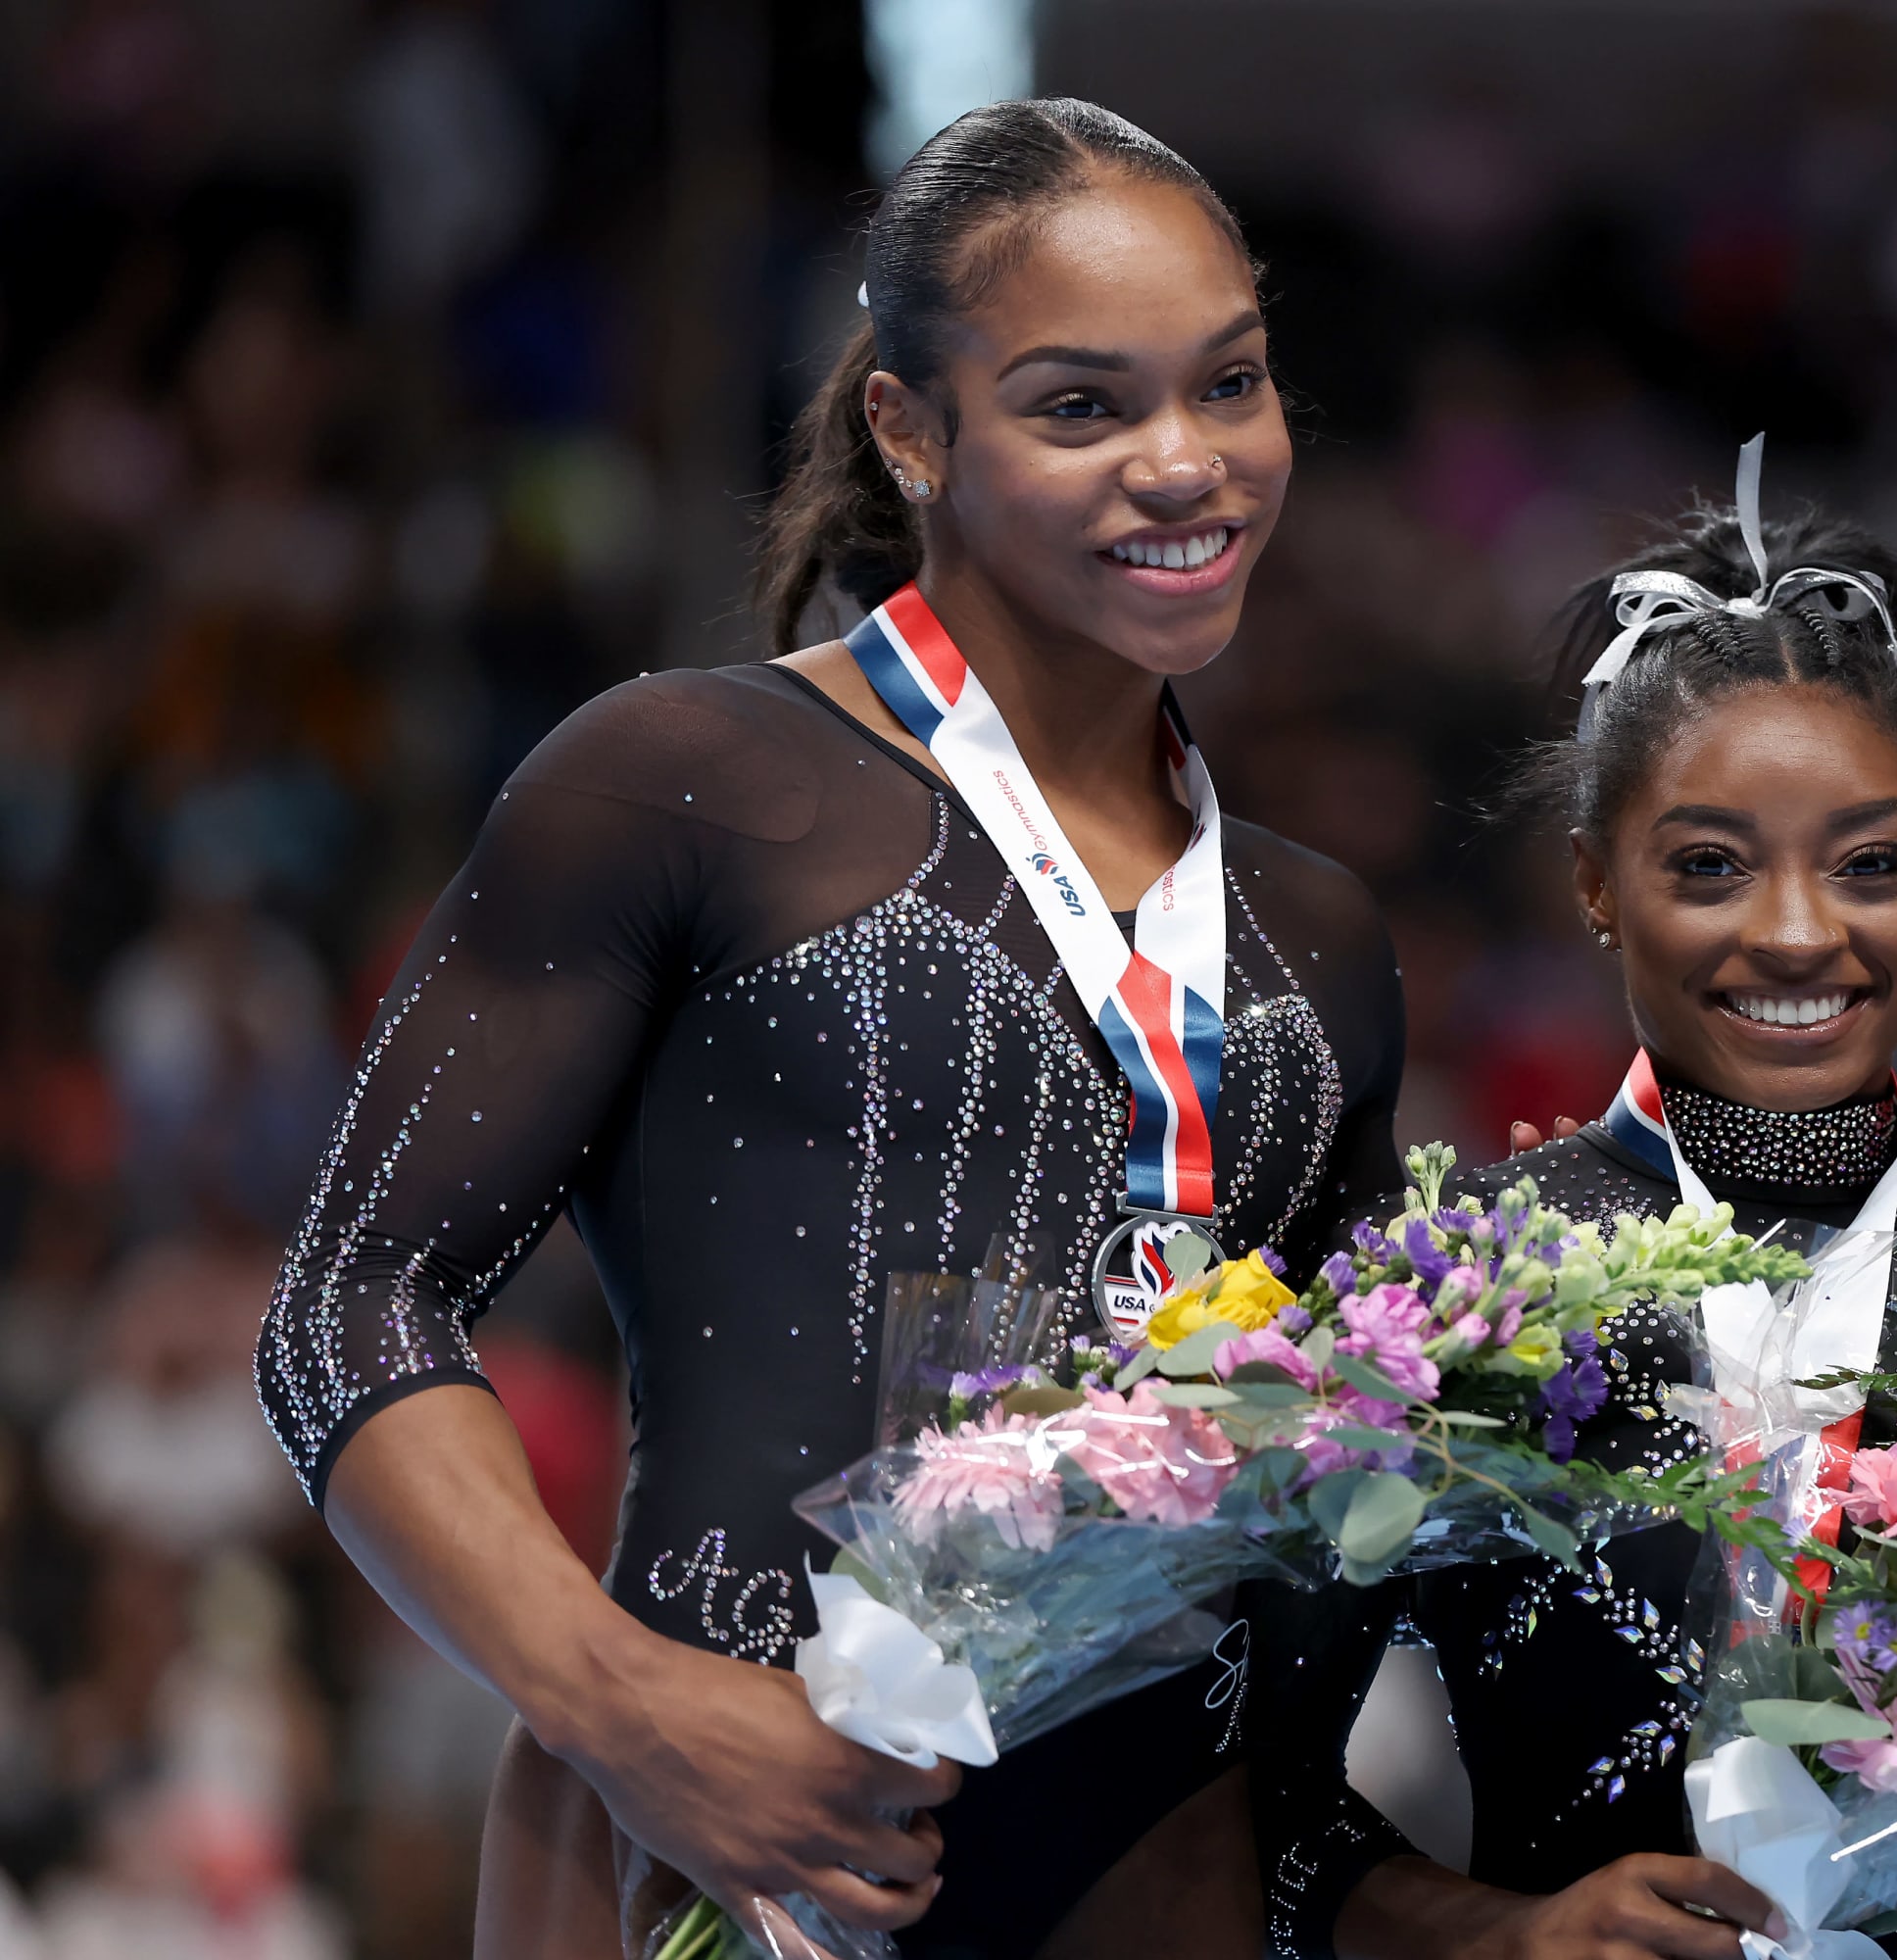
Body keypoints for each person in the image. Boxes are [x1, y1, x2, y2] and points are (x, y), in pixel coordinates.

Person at [252, 99, 1402, 1960]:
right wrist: (625, 1709)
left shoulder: (1318, 940)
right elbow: (345, 1308)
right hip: (725, 1852)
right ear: (910, 427)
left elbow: (1310, 1559)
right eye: (1082, 407)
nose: (1187, 465)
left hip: (1161, 1891)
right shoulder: (690, 781)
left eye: (1232, 384)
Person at [1249, 464, 1897, 1960]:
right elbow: (1237, 1780)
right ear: (1599, 887)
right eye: (1710, 866)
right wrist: (1494, 1935)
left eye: (1868, 863)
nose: (1798, 929)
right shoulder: (1456, 1300)